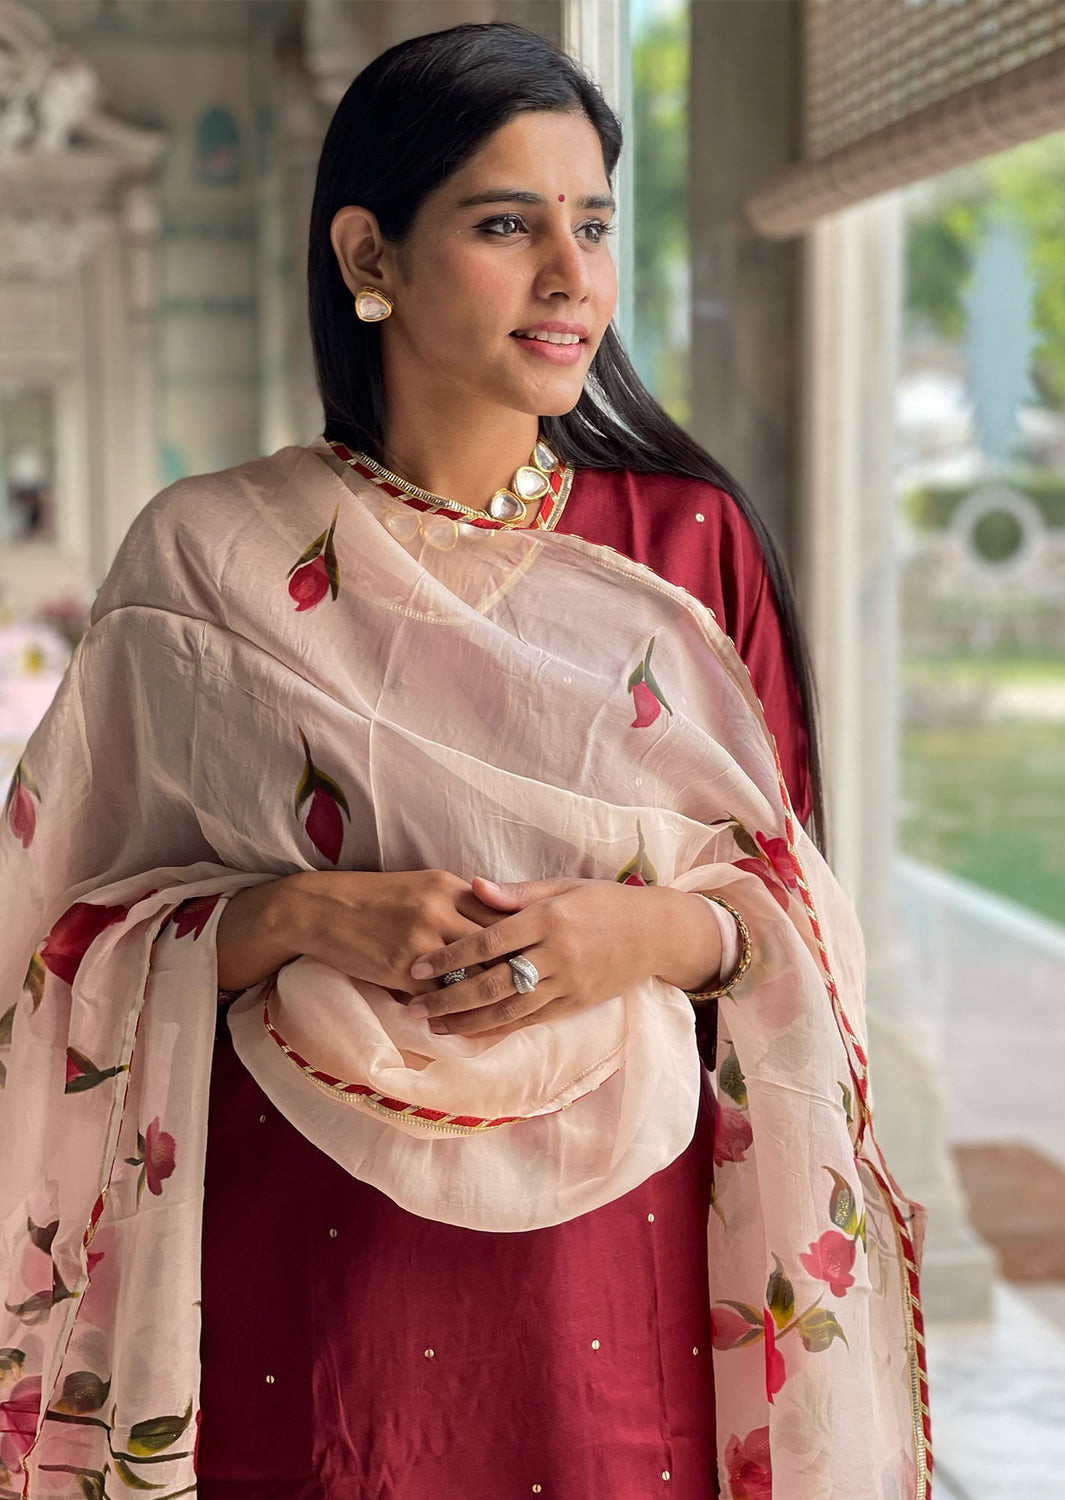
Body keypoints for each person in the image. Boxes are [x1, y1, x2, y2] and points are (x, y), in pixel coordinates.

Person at [0, 22, 928, 1500]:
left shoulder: (687, 544)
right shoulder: (206, 558)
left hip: (617, 1260)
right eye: (510, 224)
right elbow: (51, 939)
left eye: (597, 225)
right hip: (295, 1256)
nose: (574, 276)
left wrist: (646, 929)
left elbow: (795, 912)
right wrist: (291, 917)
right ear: (370, 252)